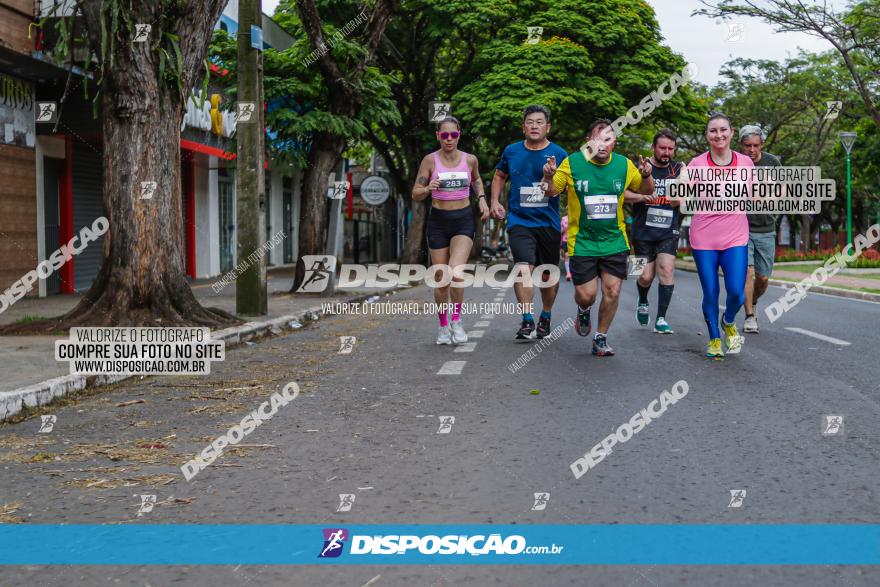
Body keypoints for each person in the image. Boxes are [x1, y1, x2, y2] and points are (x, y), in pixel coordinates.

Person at [544, 119, 655, 356]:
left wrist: (646, 176)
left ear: (614, 141)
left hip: (614, 239)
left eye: (608, 139)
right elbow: (552, 191)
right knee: (587, 295)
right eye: (598, 139)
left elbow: (646, 192)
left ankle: (601, 337)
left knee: (612, 292)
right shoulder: (572, 162)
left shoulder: (624, 165)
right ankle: (583, 309)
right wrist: (547, 177)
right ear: (588, 141)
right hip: (581, 240)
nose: (602, 145)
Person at [490, 105, 569, 340]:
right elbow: (499, 175)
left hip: (548, 223)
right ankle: (527, 320)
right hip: (519, 220)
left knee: (547, 274)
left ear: (548, 127)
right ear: (524, 126)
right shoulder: (511, 151)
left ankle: (545, 315)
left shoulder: (560, 153)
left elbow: (563, 189)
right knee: (523, 268)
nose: (534, 126)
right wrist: (494, 201)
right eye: (530, 122)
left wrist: (551, 176)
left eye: (539, 122)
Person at [412, 116, 490, 345]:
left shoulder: (470, 160)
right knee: (441, 278)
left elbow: (476, 181)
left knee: (456, 273)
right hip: (438, 221)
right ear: (438, 136)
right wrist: (427, 188)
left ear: (459, 134)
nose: (449, 139)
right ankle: (443, 326)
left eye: (453, 135)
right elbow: (415, 193)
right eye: (444, 135)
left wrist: (482, 199)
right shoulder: (430, 161)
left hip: (463, 220)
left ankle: (456, 320)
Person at [686, 113, 753, 358]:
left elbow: (754, 195)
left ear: (732, 133)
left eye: (723, 130)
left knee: (736, 290)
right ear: (707, 136)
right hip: (704, 237)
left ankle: (728, 321)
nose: (719, 135)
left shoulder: (746, 163)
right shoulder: (696, 164)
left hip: (735, 235)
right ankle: (714, 338)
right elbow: (679, 198)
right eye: (713, 131)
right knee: (711, 291)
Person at [630, 128, 683, 334]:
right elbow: (622, 195)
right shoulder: (639, 168)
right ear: (653, 147)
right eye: (662, 148)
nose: (666, 152)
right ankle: (642, 300)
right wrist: (643, 197)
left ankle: (661, 318)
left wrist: (678, 198)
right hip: (642, 230)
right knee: (644, 277)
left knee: (667, 270)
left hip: (668, 230)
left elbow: (685, 198)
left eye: (670, 149)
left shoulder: (679, 168)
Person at [739, 125, 782, 333]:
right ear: (741, 145)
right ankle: (749, 316)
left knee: (763, 278)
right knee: (747, 272)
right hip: (740, 228)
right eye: (748, 145)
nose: (752, 150)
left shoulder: (772, 162)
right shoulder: (735, 163)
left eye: (756, 145)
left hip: (766, 228)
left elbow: (782, 191)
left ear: (761, 145)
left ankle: (753, 301)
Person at [561, 214, 571, 281]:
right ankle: (568, 273)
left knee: (575, 256)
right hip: (565, 240)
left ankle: (573, 271)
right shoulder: (564, 219)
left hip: (575, 240)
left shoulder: (577, 217)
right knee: (566, 255)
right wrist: (564, 228)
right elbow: (561, 231)